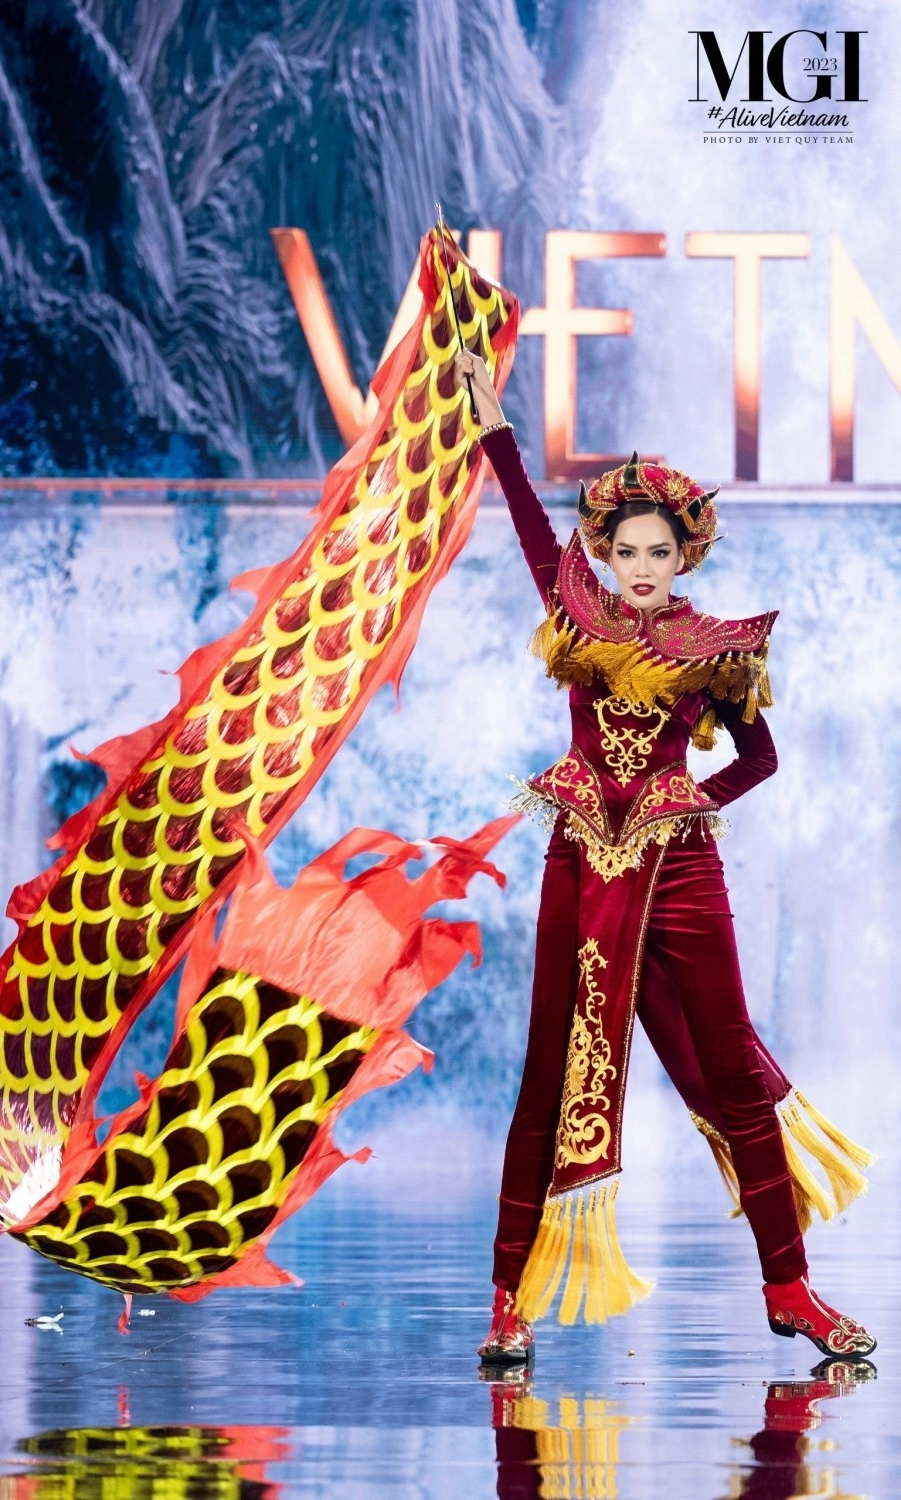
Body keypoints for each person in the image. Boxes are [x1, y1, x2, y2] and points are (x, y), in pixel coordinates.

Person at [454, 347, 876, 1368]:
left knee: (730, 1072)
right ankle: (507, 1303)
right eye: (625, 550)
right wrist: (492, 421)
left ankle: (793, 1291)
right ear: (604, 553)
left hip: (681, 873)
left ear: (684, 556)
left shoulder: (718, 649)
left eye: (658, 552)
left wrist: (687, 802)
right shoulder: (578, 615)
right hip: (581, 866)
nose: (639, 566)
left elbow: (760, 757)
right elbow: (522, 522)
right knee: (549, 1078)